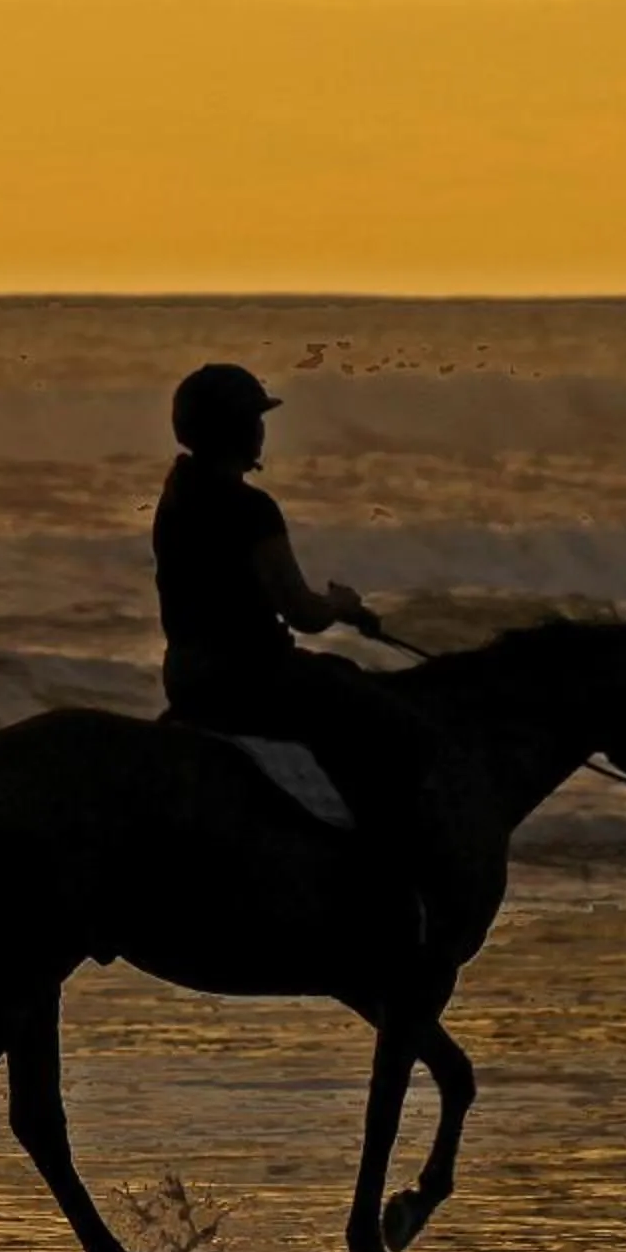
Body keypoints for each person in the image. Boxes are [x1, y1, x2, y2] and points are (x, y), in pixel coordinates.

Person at [152, 362, 439, 918]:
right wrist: (343, 606)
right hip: (253, 676)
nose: (263, 431)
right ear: (239, 431)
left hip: (188, 676)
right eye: (255, 420)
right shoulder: (250, 508)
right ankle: (389, 889)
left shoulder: (177, 497)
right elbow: (303, 613)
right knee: (404, 736)